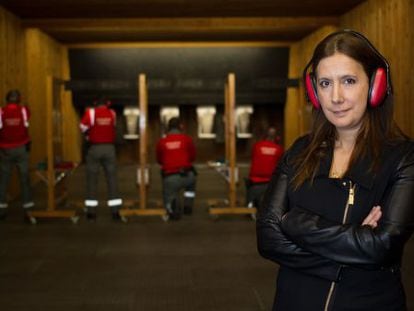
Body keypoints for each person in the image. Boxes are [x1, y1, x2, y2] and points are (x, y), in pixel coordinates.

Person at [257, 29, 414, 311]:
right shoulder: (299, 152)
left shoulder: (403, 158)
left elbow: (383, 246)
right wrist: (351, 250)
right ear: (314, 92)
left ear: (375, 85)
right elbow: (268, 238)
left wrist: (295, 223)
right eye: (325, 83)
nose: (336, 97)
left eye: (349, 81)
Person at [79, 96, 122, 221]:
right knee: (112, 180)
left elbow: (82, 127)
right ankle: (115, 212)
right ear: (107, 104)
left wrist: (88, 134)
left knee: (92, 180)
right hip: (110, 149)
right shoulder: (112, 113)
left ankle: (91, 212)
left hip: (95, 148)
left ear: (95, 103)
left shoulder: (91, 113)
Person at [0, 90, 35, 219]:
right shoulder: (23, 110)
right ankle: (28, 209)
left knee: (3, 180)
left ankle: (1, 209)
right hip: (21, 148)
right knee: (24, 179)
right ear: (18, 99)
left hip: (5, 150)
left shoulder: (1, 111)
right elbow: (28, 116)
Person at [156, 117, 196, 220]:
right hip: (187, 175)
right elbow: (192, 157)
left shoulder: (162, 142)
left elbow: (159, 160)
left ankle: (173, 210)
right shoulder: (187, 139)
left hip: (171, 177)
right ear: (181, 127)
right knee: (191, 186)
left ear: (168, 128)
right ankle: (188, 205)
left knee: (170, 193)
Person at [246, 127, 283, 208]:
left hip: (254, 180)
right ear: (277, 137)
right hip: (271, 180)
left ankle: (249, 205)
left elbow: (252, 157)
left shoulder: (257, 146)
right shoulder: (278, 149)